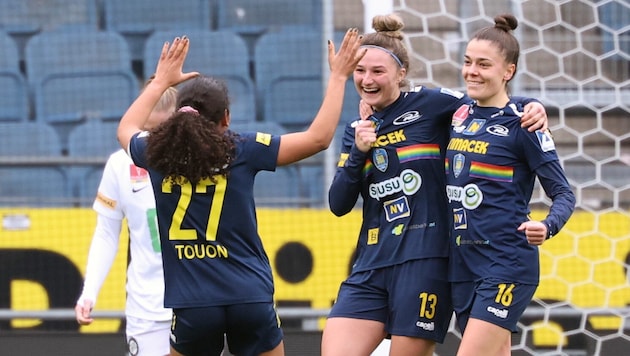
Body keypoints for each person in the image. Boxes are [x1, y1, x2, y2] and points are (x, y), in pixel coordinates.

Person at [116, 30, 365, 356]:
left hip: (193, 303)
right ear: (226, 119)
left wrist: (161, 81)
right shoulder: (242, 148)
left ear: (178, 116)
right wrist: (338, 77)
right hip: (249, 295)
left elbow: (125, 128)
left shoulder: (155, 152)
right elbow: (318, 138)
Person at [322, 14, 549, 356]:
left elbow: (487, 102)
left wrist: (528, 107)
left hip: (425, 262)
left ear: (401, 73)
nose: (367, 80)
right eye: (360, 71)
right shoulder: (356, 130)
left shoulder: (432, 104)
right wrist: (358, 151)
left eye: (378, 71)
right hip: (370, 263)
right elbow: (338, 204)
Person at [446, 14, 575, 356]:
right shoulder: (457, 114)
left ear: (508, 71)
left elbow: (563, 192)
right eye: (468, 62)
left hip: (506, 262)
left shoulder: (525, 125)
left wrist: (548, 225)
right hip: (463, 263)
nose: (472, 71)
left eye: (484, 64)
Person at [75, 81, 178, 356]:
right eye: (149, 129)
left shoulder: (197, 158)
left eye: (163, 130)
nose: (155, 138)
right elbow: (107, 233)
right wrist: (89, 292)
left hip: (196, 306)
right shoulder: (120, 164)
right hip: (146, 310)